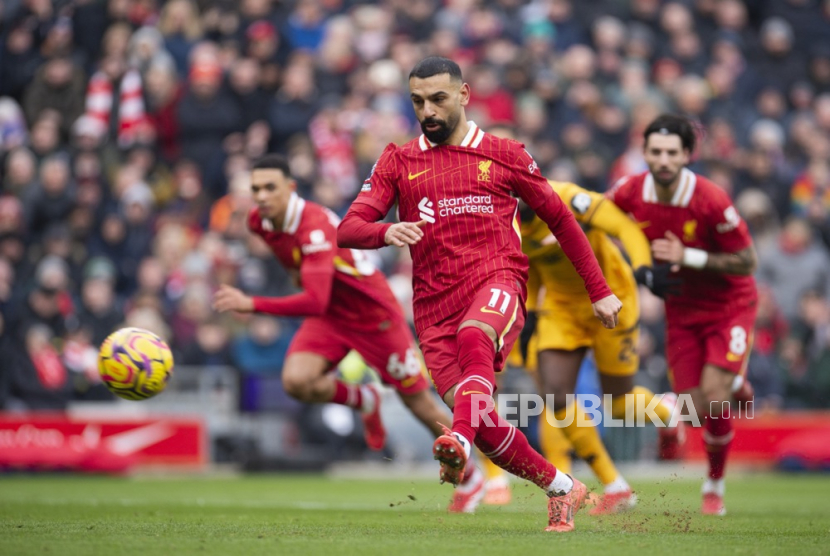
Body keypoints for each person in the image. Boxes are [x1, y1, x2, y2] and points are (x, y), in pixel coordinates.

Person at [337, 56, 622, 532]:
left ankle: (459, 443)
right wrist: (386, 232)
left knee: (476, 339)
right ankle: (561, 487)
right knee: (488, 426)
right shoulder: (398, 160)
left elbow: (561, 219)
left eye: (438, 99)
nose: (427, 110)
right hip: (432, 308)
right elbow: (349, 228)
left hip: (498, 281)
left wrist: (600, 291)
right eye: (418, 101)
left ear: (464, 96)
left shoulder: (506, 153)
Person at [212, 154, 485, 513]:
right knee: (296, 381)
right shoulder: (258, 221)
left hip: (373, 315)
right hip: (331, 314)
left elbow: (313, 299)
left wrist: (253, 303)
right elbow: (306, 279)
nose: (261, 196)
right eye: (256, 189)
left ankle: (474, 476)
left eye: (270, 188)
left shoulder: (313, 227)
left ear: (290, 188)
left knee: (417, 402)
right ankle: (364, 400)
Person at [480, 177, 683, 515]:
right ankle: (616, 486)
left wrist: (644, 268)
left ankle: (668, 411)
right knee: (555, 396)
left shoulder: (571, 198)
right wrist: (528, 314)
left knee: (618, 404)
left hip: (612, 297)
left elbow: (624, 226)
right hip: (562, 309)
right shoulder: (505, 223)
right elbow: (535, 270)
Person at [607, 114, 758, 516]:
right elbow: (596, 219)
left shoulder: (710, 198)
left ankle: (714, 485)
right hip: (682, 310)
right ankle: (735, 379)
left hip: (728, 306)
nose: (664, 160)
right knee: (694, 410)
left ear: (687, 155)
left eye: (672, 153)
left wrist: (687, 256)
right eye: (655, 152)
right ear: (644, 154)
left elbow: (747, 261)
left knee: (712, 397)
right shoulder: (631, 191)